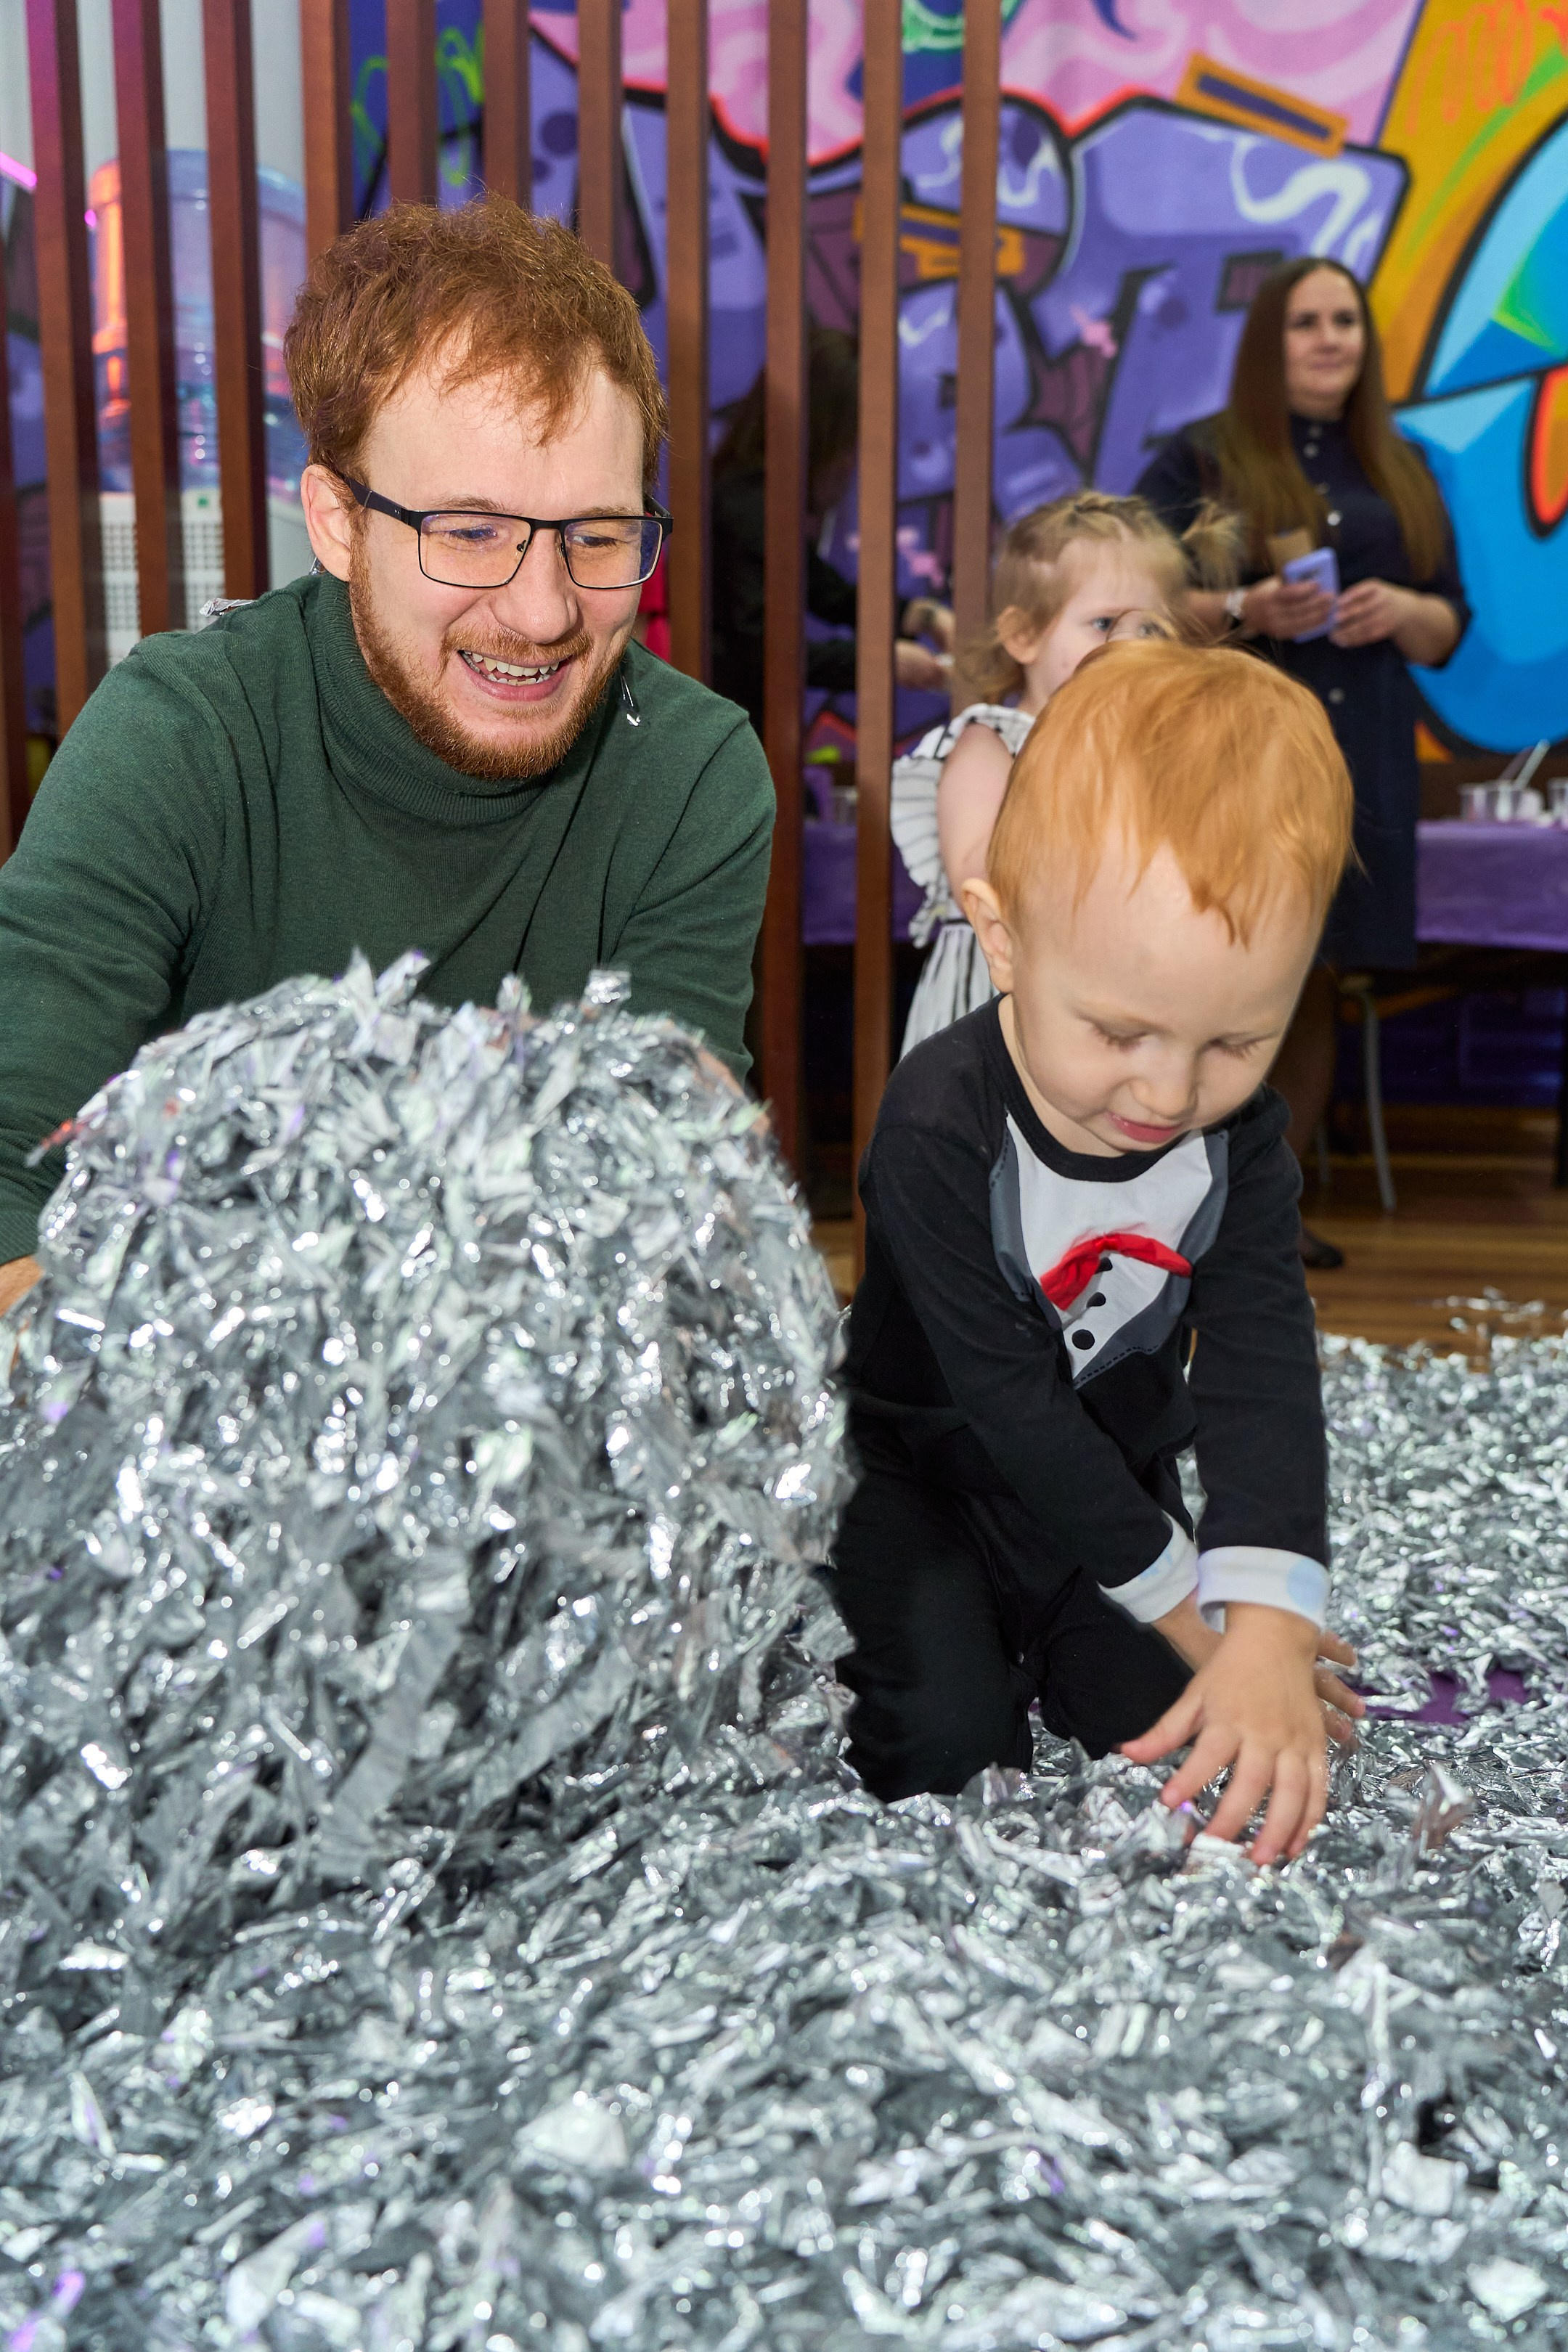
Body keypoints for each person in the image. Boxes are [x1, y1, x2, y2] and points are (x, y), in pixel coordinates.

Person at [0, 198, 776, 1320]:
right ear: (336, 521)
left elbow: (664, 1203)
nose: (543, 610)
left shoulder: (692, 776)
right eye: (469, 532)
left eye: (596, 537)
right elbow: (10, 1170)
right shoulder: (181, 738)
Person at [830, 640, 1368, 1864]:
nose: (1171, 1090)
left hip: (1114, 1491)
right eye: (1122, 1031)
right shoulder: (935, 1121)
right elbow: (1011, 1408)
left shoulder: (1245, 1143)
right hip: (925, 1483)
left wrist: (1270, 1626)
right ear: (1005, 941)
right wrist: (1200, 1624)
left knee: (1168, 1740)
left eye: (1237, 1041)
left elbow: (1262, 1373)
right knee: (949, 1762)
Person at [1135, 258, 1468, 1267]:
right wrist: (1248, 610)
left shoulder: (1401, 463)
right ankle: (1183, 1206)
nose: (1331, 340)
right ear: (1267, 340)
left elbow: (1449, 624)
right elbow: (1138, 602)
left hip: (1360, 757)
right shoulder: (1202, 461)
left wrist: (1407, 612)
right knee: (1226, 980)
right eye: (1307, 324)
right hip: (1238, 759)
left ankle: (1265, 1218)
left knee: (1316, 976)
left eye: (1347, 323)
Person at [891, 491, 1236, 1055]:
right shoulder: (991, 741)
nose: (1129, 647)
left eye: (1151, 629)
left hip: (1113, 1003)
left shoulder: (1154, 756)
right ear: (1024, 635)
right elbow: (980, 875)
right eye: (1103, 623)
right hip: (1000, 1009)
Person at [709, 326, 952, 732]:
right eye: (848, 441)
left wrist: (919, 616)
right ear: (821, 435)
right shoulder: (747, 508)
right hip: (727, 732)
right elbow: (764, 651)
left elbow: (824, 591)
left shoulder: (754, 500)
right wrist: (880, 661)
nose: (850, 463)